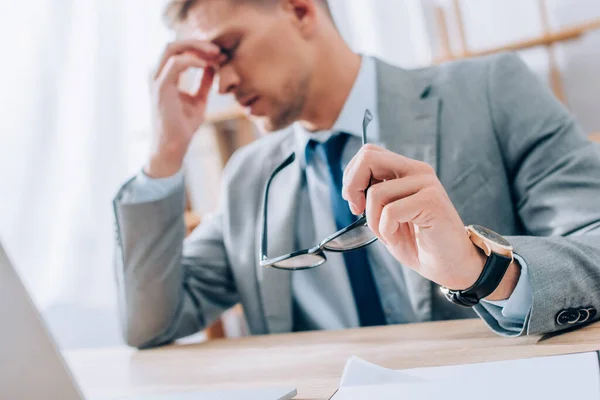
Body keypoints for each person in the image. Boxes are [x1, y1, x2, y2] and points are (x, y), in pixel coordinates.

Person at [113, 0, 600, 348]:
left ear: (300, 11)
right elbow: (150, 324)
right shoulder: (248, 178)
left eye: (229, 49)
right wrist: (165, 155)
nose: (224, 83)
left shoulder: (490, 92)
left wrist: (482, 270)